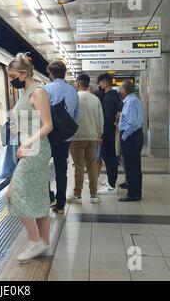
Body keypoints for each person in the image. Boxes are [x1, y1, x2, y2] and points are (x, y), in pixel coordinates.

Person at [6, 53, 53, 261]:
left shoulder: (38, 92)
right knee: (40, 194)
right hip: (29, 146)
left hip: (37, 148)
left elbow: (48, 125)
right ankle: (44, 242)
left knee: (13, 193)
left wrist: (27, 142)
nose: (11, 80)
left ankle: (34, 241)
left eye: (13, 76)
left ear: (24, 74)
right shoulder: (25, 91)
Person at [44, 61, 79, 214]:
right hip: (65, 137)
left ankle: (48, 197)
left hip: (48, 137)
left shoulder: (46, 88)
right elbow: (77, 117)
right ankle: (60, 205)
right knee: (61, 171)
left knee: (40, 168)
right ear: (64, 73)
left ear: (51, 73)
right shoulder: (73, 91)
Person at [68, 74, 104, 204]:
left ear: (77, 84)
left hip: (77, 137)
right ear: (88, 84)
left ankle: (77, 196)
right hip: (92, 137)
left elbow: (70, 117)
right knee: (92, 166)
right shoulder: (95, 99)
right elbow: (101, 119)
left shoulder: (75, 98)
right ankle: (94, 195)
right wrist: (99, 134)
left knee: (78, 167)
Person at [118, 80, 144, 202]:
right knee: (135, 165)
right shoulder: (134, 100)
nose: (120, 90)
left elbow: (132, 123)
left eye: (121, 88)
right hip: (135, 135)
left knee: (131, 166)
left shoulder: (130, 102)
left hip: (131, 136)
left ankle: (133, 194)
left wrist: (124, 136)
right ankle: (136, 191)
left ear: (124, 89)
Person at [97, 74, 121, 195]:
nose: (100, 85)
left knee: (109, 158)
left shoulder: (109, 97)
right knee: (110, 159)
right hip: (112, 132)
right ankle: (111, 181)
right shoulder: (115, 95)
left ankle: (111, 185)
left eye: (100, 83)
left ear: (105, 83)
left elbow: (106, 118)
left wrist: (101, 134)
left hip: (108, 134)